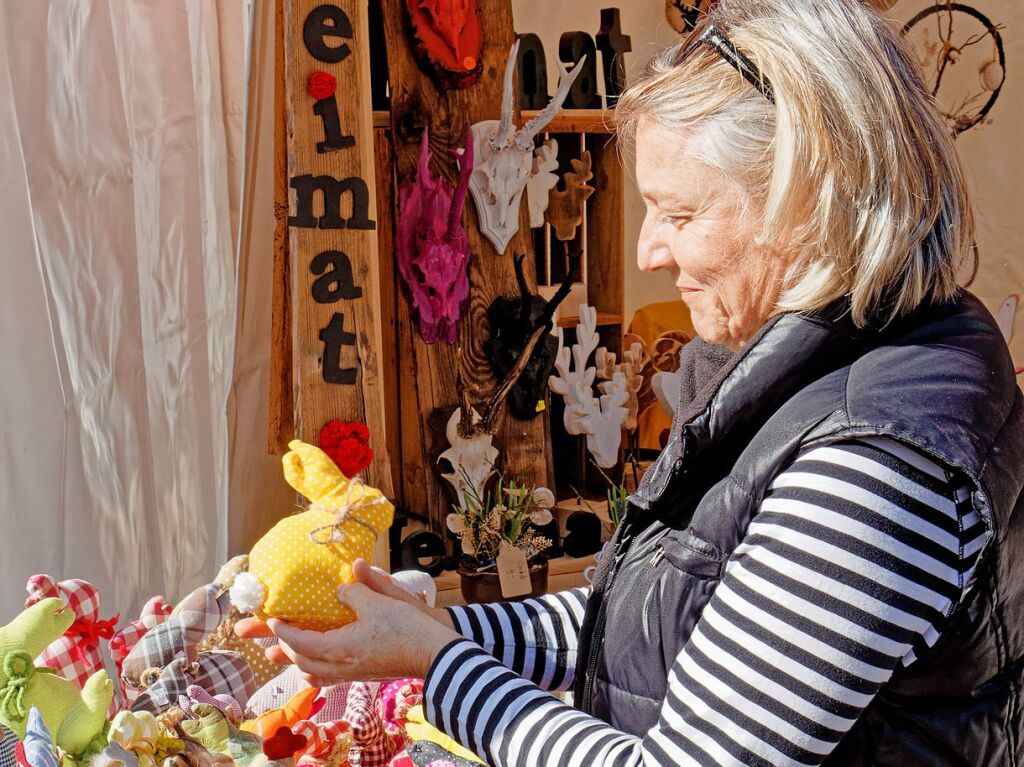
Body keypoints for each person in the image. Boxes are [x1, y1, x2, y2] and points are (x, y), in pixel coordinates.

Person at [238, 1, 1024, 764]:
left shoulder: (874, 465)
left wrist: (440, 664)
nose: (648, 249)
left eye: (678, 214)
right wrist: (429, 623)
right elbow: (647, 623)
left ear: (806, 204)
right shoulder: (808, 373)